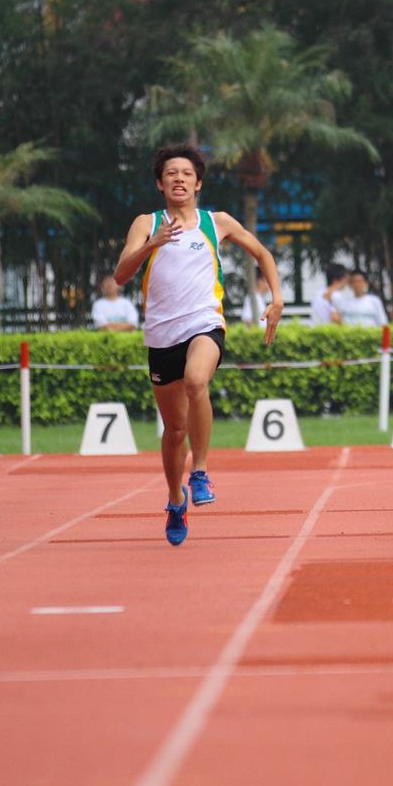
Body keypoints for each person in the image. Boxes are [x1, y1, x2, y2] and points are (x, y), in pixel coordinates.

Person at [115, 145, 283, 547]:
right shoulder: (146, 223)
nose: (179, 179)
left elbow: (261, 253)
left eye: (186, 173)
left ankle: (201, 471)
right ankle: (176, 499)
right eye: (171, 173)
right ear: (160, 184)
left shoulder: (216, 222)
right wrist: (151, 244)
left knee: (196, 381)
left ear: (198, 183)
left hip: (205, 324)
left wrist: (277, 298)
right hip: (161, 336)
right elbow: (121, 275)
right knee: (175, 430)